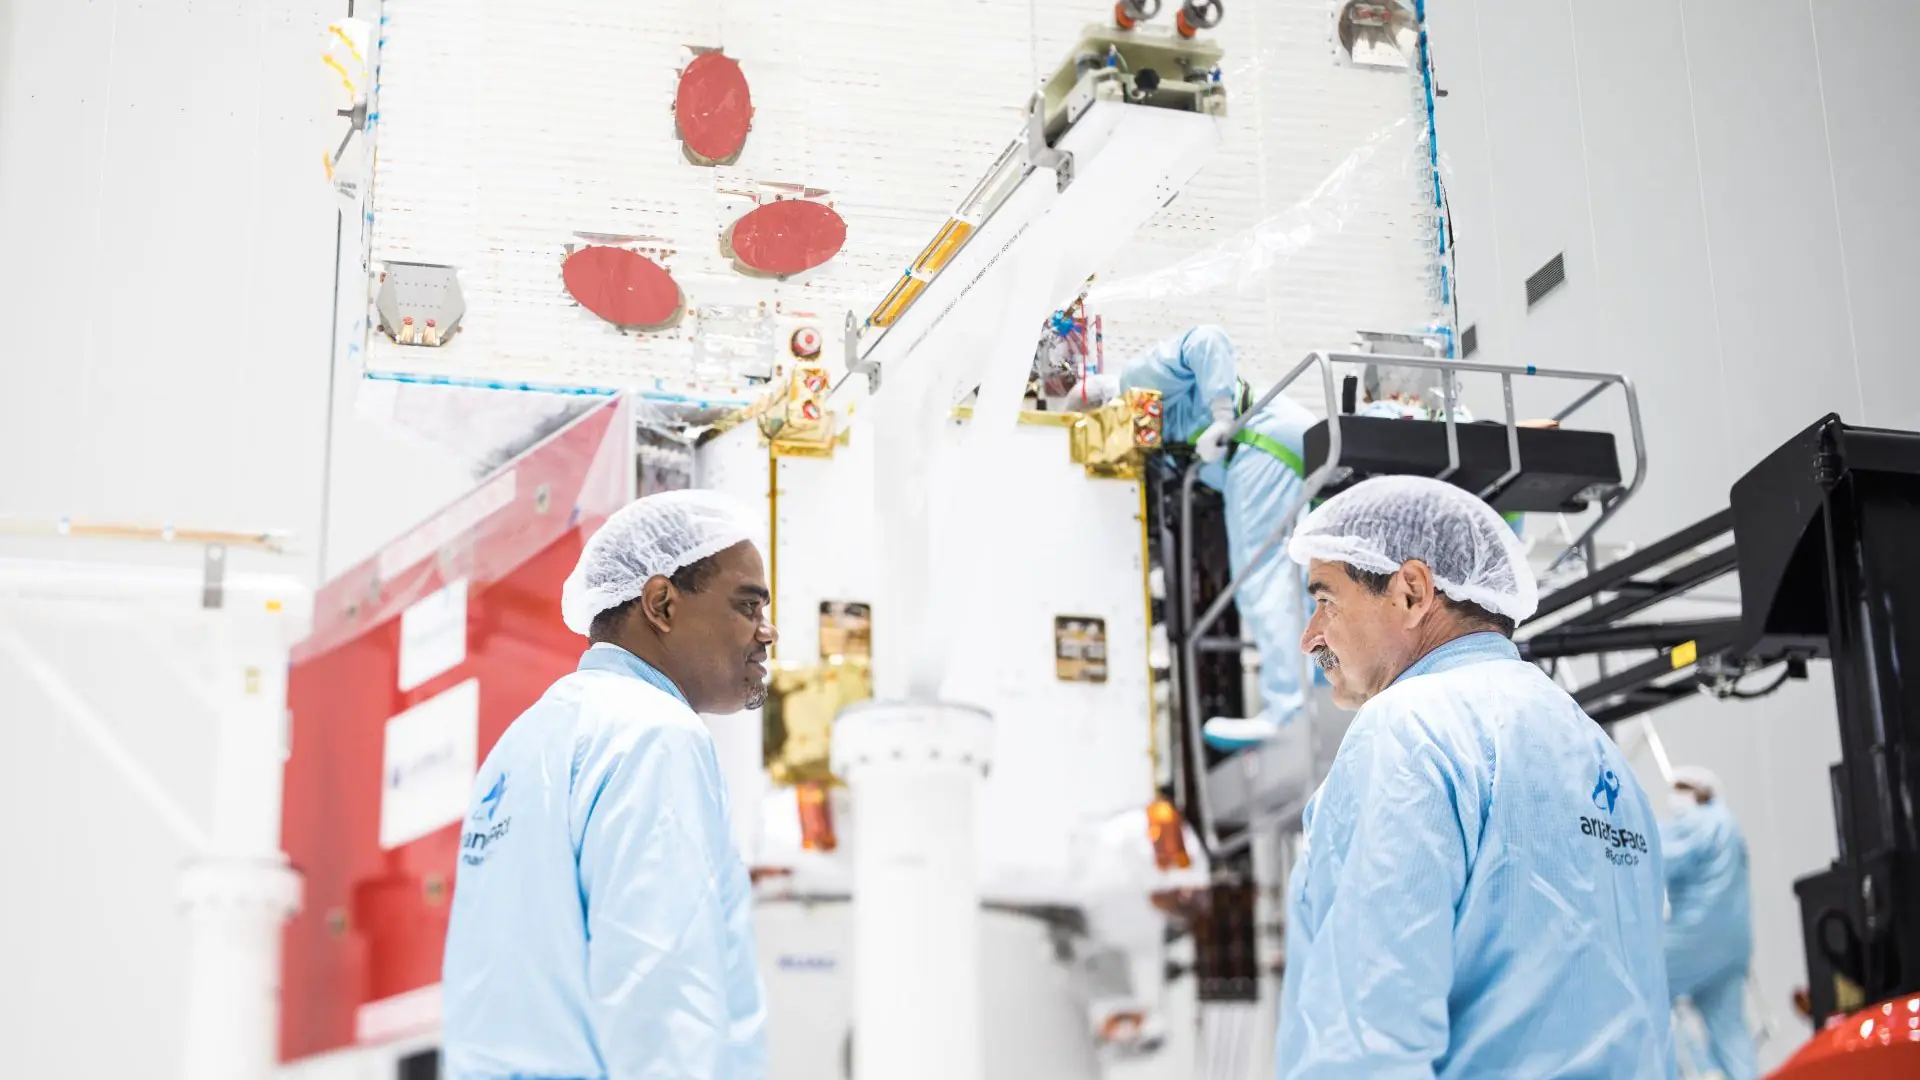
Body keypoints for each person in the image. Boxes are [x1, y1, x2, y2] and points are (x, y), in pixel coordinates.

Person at [1274, 474, 1673, 1079]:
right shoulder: (1597, 749)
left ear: (1411, 592)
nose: (1310, 638)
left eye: (1326, 600)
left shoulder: (1408, 731)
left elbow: (1368, 1041)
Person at [441, 490, 776, 1080]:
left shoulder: (525, 742)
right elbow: (660, 985)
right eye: (748, 606)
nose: (767, 633)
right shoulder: (655, 735)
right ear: (661, 604)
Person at [1094, 325, 1318, 752]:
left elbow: (1207, 339)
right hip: (1270, 446)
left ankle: (1286, 709)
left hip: (1258, 440)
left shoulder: (1136, 381)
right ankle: (1321, 681)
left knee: (1259, 579)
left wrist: (1221, 416)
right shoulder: (1157, 436)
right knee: (1301, 583)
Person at [1663, 765, 1756, 1080]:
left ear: (1698, 793)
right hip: (1734, 948)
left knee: (1646, 984)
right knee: (1732, 1035)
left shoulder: (1701, 822)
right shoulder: (1731, 826)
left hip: (1697, 937)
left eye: (1680, 789)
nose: (1674, 798)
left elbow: (1648, 855)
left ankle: (1698, 1072)